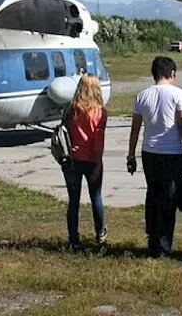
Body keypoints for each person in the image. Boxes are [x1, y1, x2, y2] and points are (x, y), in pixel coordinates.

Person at [126, 56, 182, 258]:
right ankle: (164, 245)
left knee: (153, 194)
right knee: (169, 198)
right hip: (172, 152)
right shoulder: (178, 94)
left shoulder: (142, 96)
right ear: (172, 73)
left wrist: (131, 154)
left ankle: (153, 238)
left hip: (149, 152)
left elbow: (135, 129)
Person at [63, 74, 108, 249]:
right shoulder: (99, 112)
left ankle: (73, 239)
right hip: (92, 159)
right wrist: (97, 159)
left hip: (72, 159)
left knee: (73, 201)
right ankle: (100, 232)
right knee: (96, 196)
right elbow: (99, 138)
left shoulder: (72, 108)